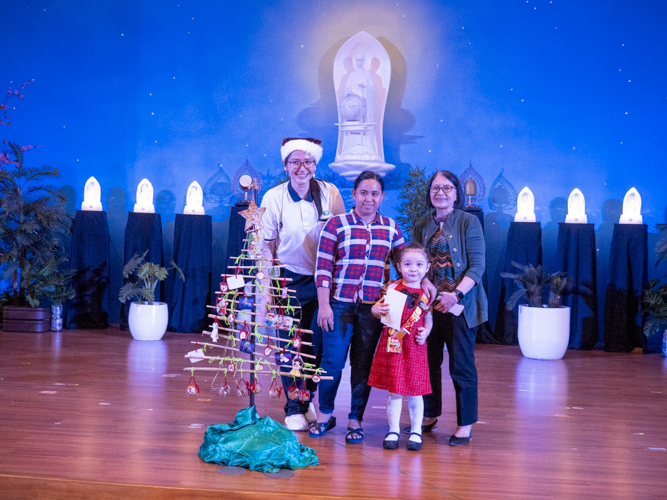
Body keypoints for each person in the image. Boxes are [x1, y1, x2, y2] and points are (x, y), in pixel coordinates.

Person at [309, 171, 404, 443]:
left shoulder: (391, 228)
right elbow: (324, 268)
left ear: (382, 197)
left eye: (375, 194)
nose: (368, 199)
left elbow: (404, 265)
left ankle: (355, 419)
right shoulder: (336, 225)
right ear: (353, 194)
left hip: (373, 310)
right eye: (363, 193)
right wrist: (324, 305)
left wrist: (419, 288)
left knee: (363, 365)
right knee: (332, 362)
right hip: (339, 305)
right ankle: (325, 414)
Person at [259, 137, 345, 431]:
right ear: (285, 165)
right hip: (287, 279)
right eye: (295, 162)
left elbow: (342, 232)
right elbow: (266, 244)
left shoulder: (330, 192)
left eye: (307, 162)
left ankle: (307, 401)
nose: (301, 168)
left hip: (323, 282)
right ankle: (293, 406)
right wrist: (269, 286)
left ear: (315, 165)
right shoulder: (274, 197)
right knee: (289, 346)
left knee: (315, 346)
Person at [412, 170, 488, 446]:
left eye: (446, 188)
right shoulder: (422, 224)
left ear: (456, 192)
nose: (440, 192)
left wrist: (455, 294)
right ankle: (430, 414)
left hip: (461, 306)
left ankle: (465, 423)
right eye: (435, 188)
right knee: (429, 362)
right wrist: (424, 284)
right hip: (431, 307)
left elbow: (478, 266)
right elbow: (415, 262)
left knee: (461, 365)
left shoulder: (469, 222)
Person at [368, 242, 433, 451]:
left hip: (415, 346)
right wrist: (376, 310)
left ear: (427, 268)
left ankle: (416, 431)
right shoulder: (391, 287)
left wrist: (427, 331)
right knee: (395, 390)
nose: (413, 269)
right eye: (407, 264)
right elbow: (378, 309)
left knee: (415, 390)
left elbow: (428, 318)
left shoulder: (427, 292)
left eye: (419, 264)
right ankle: (393, 429)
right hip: (394, 343)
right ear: (399, 266)